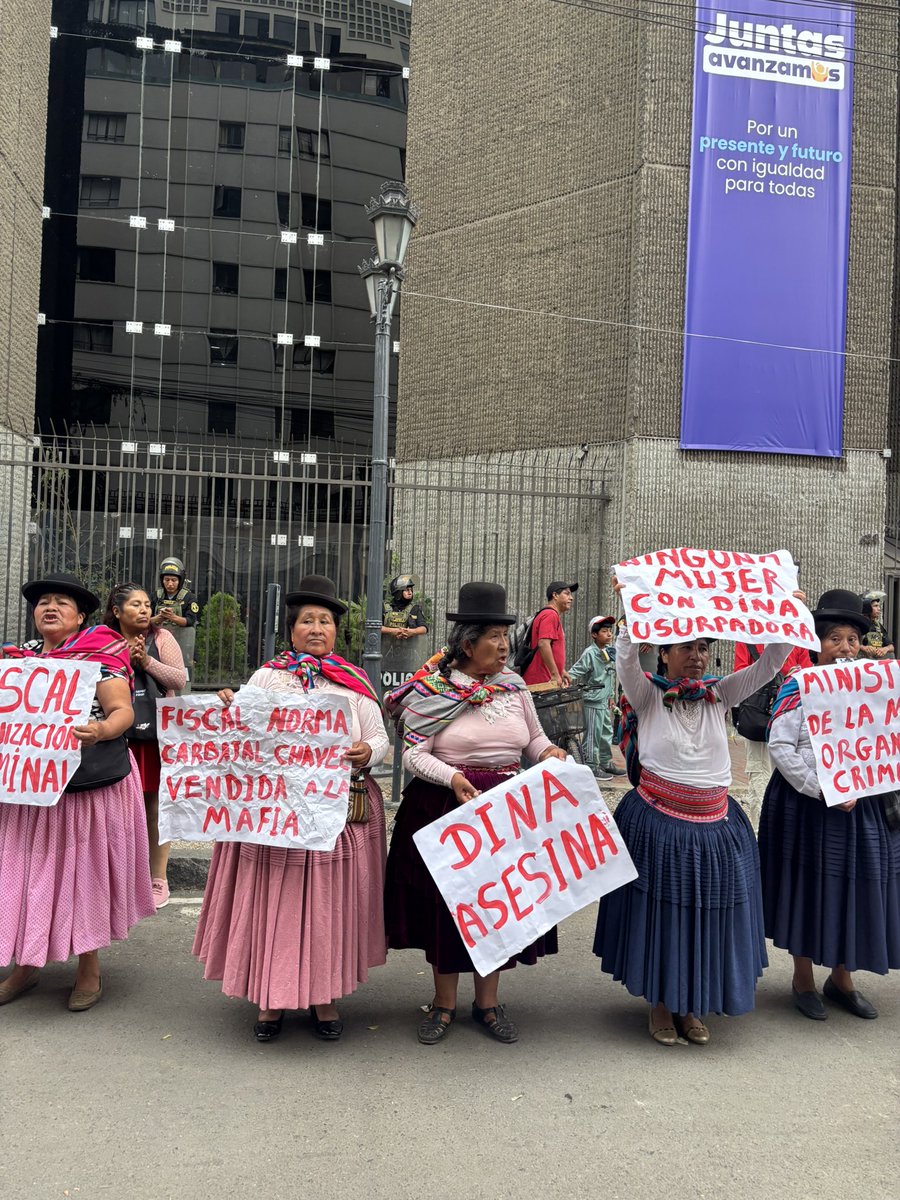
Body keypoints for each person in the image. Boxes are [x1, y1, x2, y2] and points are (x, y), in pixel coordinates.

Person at [593, 578, 795, 1046]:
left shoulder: (721, 694)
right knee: (664, 915)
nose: (697, 656)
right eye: (686, 647)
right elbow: (626, 659)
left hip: (715, 825)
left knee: (705, 916)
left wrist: (783, 608)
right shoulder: (646, 695)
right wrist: (631, 607)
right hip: (659, 822)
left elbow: (770, 663)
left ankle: (692, 1006)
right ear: (663, 654)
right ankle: (662, 1005)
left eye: (703, 648)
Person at [192, 574, 388, 1043]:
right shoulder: (266, 677)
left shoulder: (353, 683)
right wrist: (228, 707)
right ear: (292, 630)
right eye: (307, 621)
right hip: (273, 817)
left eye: (325, 621)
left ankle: (324, 996)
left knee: (325, 909)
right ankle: (271, 998)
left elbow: (379, 737)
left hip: (332, 815)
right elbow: (240, 737)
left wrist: (368, 751)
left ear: (336, 631)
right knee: (276, 905)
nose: (316, 628)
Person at [384, 582, 567, 1045]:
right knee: (448, 909)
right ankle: (443, 1004)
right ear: (468, 644)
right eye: (494, 637)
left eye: (506, 637)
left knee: (497, 907)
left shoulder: (514, 686)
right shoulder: (435, 691)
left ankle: (488, 1003)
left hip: (505, 809)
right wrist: (452, 777)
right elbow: (413, 755)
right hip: (447, 806)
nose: (505, 646)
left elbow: (534, 740)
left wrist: (549, 754)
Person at [0, 573, 154, 1010]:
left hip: (87, 784)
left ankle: (90, 966)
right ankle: (27, 963)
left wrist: (101, 729)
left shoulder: (99, 656)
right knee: (26, 874)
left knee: (83, 873)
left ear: (81, 616)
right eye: (43, 602)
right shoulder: (18, 660)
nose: (49, 607)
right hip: (29, 788)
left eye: (61, 603)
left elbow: (122, 710)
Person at [759, 589, 900, 1022]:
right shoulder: (799, 685)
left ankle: (842, 978)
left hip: (862, 805)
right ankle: (802, 978)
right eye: (834, 638)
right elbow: (781, 746)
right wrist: (822, 788)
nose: (845, 647)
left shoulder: (874, 688)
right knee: (807, 886)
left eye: (852, 639)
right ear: (816, 643)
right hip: (808, 804)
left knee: (853, 888)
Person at [104, 582, 187, 910]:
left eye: (147, 605)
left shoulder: (161, 638)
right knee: (115, 810)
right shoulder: (102, 640)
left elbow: (179, 679)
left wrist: (147, 662)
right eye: (135, 604)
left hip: (154, 735)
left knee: (154, 807)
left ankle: (158, 878)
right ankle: (121, 878)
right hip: (115, 735)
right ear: (116, 611)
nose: (143, 610)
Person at [732, 641, 812, 827]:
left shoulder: (752, 637)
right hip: (773, 716)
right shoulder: (793, 640)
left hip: (779, 716)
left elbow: (807, 675)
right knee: (764, 774)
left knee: (777, 772)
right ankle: (763, 828)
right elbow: (740, 676)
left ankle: (768, 828)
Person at [569, 615, 623, 780]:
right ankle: (591, 766)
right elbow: (576, 670)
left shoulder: (608, 652)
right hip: (592, 702)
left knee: (606, 733)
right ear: (594, 634)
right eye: (604, 631)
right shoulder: (590, 653)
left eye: (610, 631)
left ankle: (605, 762)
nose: (609, 634)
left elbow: (610, 675)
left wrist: (611, 696)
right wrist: (564, 679)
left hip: (604, 701)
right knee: (593, 734)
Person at [151, 556, 199, 687]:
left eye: (174, 580)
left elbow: (190, 621)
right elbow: (146, 620)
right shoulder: (155, 596)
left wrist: (173, 617)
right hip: (157, 644)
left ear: (180, 580)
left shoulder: (189, 597)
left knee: (182, 676)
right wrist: (159, 618)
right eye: (167, 580)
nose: (170, 584)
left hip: (182, 644)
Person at [522, 580, 577, 688]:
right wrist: (555, 674)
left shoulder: (549, 614)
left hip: (545, 679)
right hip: (542, 681)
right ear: (555, 595)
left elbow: (552, 647)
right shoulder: (550, 615)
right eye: (567, 593)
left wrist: (561, 671)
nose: (571, 598)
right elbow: (543, 643)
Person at [381, 574, 429, 643]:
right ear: (398, 593)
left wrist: (412, 632)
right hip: (386, 648)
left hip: (409, 649)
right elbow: (376, 627)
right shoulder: (385, 608)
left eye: (411, 590)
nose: (410, 593)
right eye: (406, 590)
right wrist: (393, 631)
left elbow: (424, 628)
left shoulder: (415, 609)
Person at [858, 590, 894, 660]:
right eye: (875, 606)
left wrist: (885, 649)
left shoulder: (877, 626)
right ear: (867, 607)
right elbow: (849, 644)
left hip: (874, 663)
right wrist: (863, 648)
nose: (879, 609)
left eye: (879, 606)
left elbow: (891, 647)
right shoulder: (857, 624)